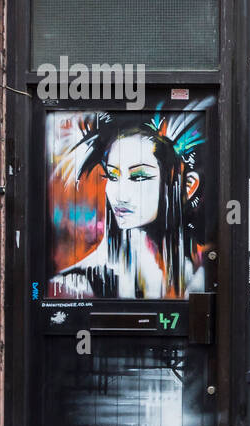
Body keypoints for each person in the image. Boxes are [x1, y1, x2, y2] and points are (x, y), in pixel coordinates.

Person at [49, 107, 207, 299]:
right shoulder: (77, 284)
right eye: (112, 176)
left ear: (188, 186)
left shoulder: (204, 272)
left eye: (139, 176)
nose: (119, 194)